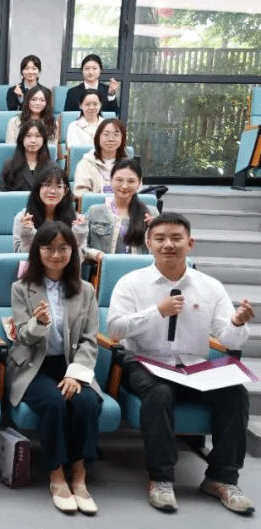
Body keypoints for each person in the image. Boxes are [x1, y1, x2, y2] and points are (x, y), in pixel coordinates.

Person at [107, 212, 254, 515]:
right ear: (148, 243)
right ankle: (161, 478)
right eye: (160, 238)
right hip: (144, 362)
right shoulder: (131, 283)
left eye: (176, 238)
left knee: (235, 393)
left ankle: (221, 478)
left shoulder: (210, 286)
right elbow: (115, 329)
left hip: (193, 367)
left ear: (190, 243)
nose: (168, 245)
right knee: (159, 394)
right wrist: (157, 311)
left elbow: (229, 338)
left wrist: (237, 323)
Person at [9, 221, 102, 515]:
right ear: (37, 251)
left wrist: (75, 374)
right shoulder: (21, 288)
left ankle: (79, 474)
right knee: (54, 402)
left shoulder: (86, 290)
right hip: (34, 366)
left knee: (86, 402)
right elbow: (22, 336)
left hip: (71, 365)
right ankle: (56, 474)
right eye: (48, 248)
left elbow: (89, 340)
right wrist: (39, 324)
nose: (56, 254)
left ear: (73, 251)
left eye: (63, 248)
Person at [82, 159, 158, 262]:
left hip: (140, 270)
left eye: (131, 181)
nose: (124, 186)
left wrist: (156, 230)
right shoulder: (94, 211)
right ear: (111, 180)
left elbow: (161, 251)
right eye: (119, 180)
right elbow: (81, 246)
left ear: (139, 183)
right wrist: (97, 255)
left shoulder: (151, 213)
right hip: (104, 269)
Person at [13, 167, 87, 254]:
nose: (52, 191)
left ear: (65, 191)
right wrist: (28, 235)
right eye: (47, 185)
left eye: (58, 186)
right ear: (38, 188)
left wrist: (77, 237)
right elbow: (20, 256)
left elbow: (80, 257)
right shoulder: (23, 218)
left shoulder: (77, 220)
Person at [73, 118, 128, 194]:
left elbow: (136, 192)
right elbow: (80, 193)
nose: (111, 139)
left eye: (116, 135)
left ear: (122, 138)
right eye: (106, 134)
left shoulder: (128, 166)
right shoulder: (86, 164)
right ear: (98, 137)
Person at [0, 121, 54, 193]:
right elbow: (2, 193)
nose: (33, 141)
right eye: (28, 136)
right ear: (21, 139)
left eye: (38, 136)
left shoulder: (52, 167)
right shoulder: (9, 165)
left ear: (44, 140)